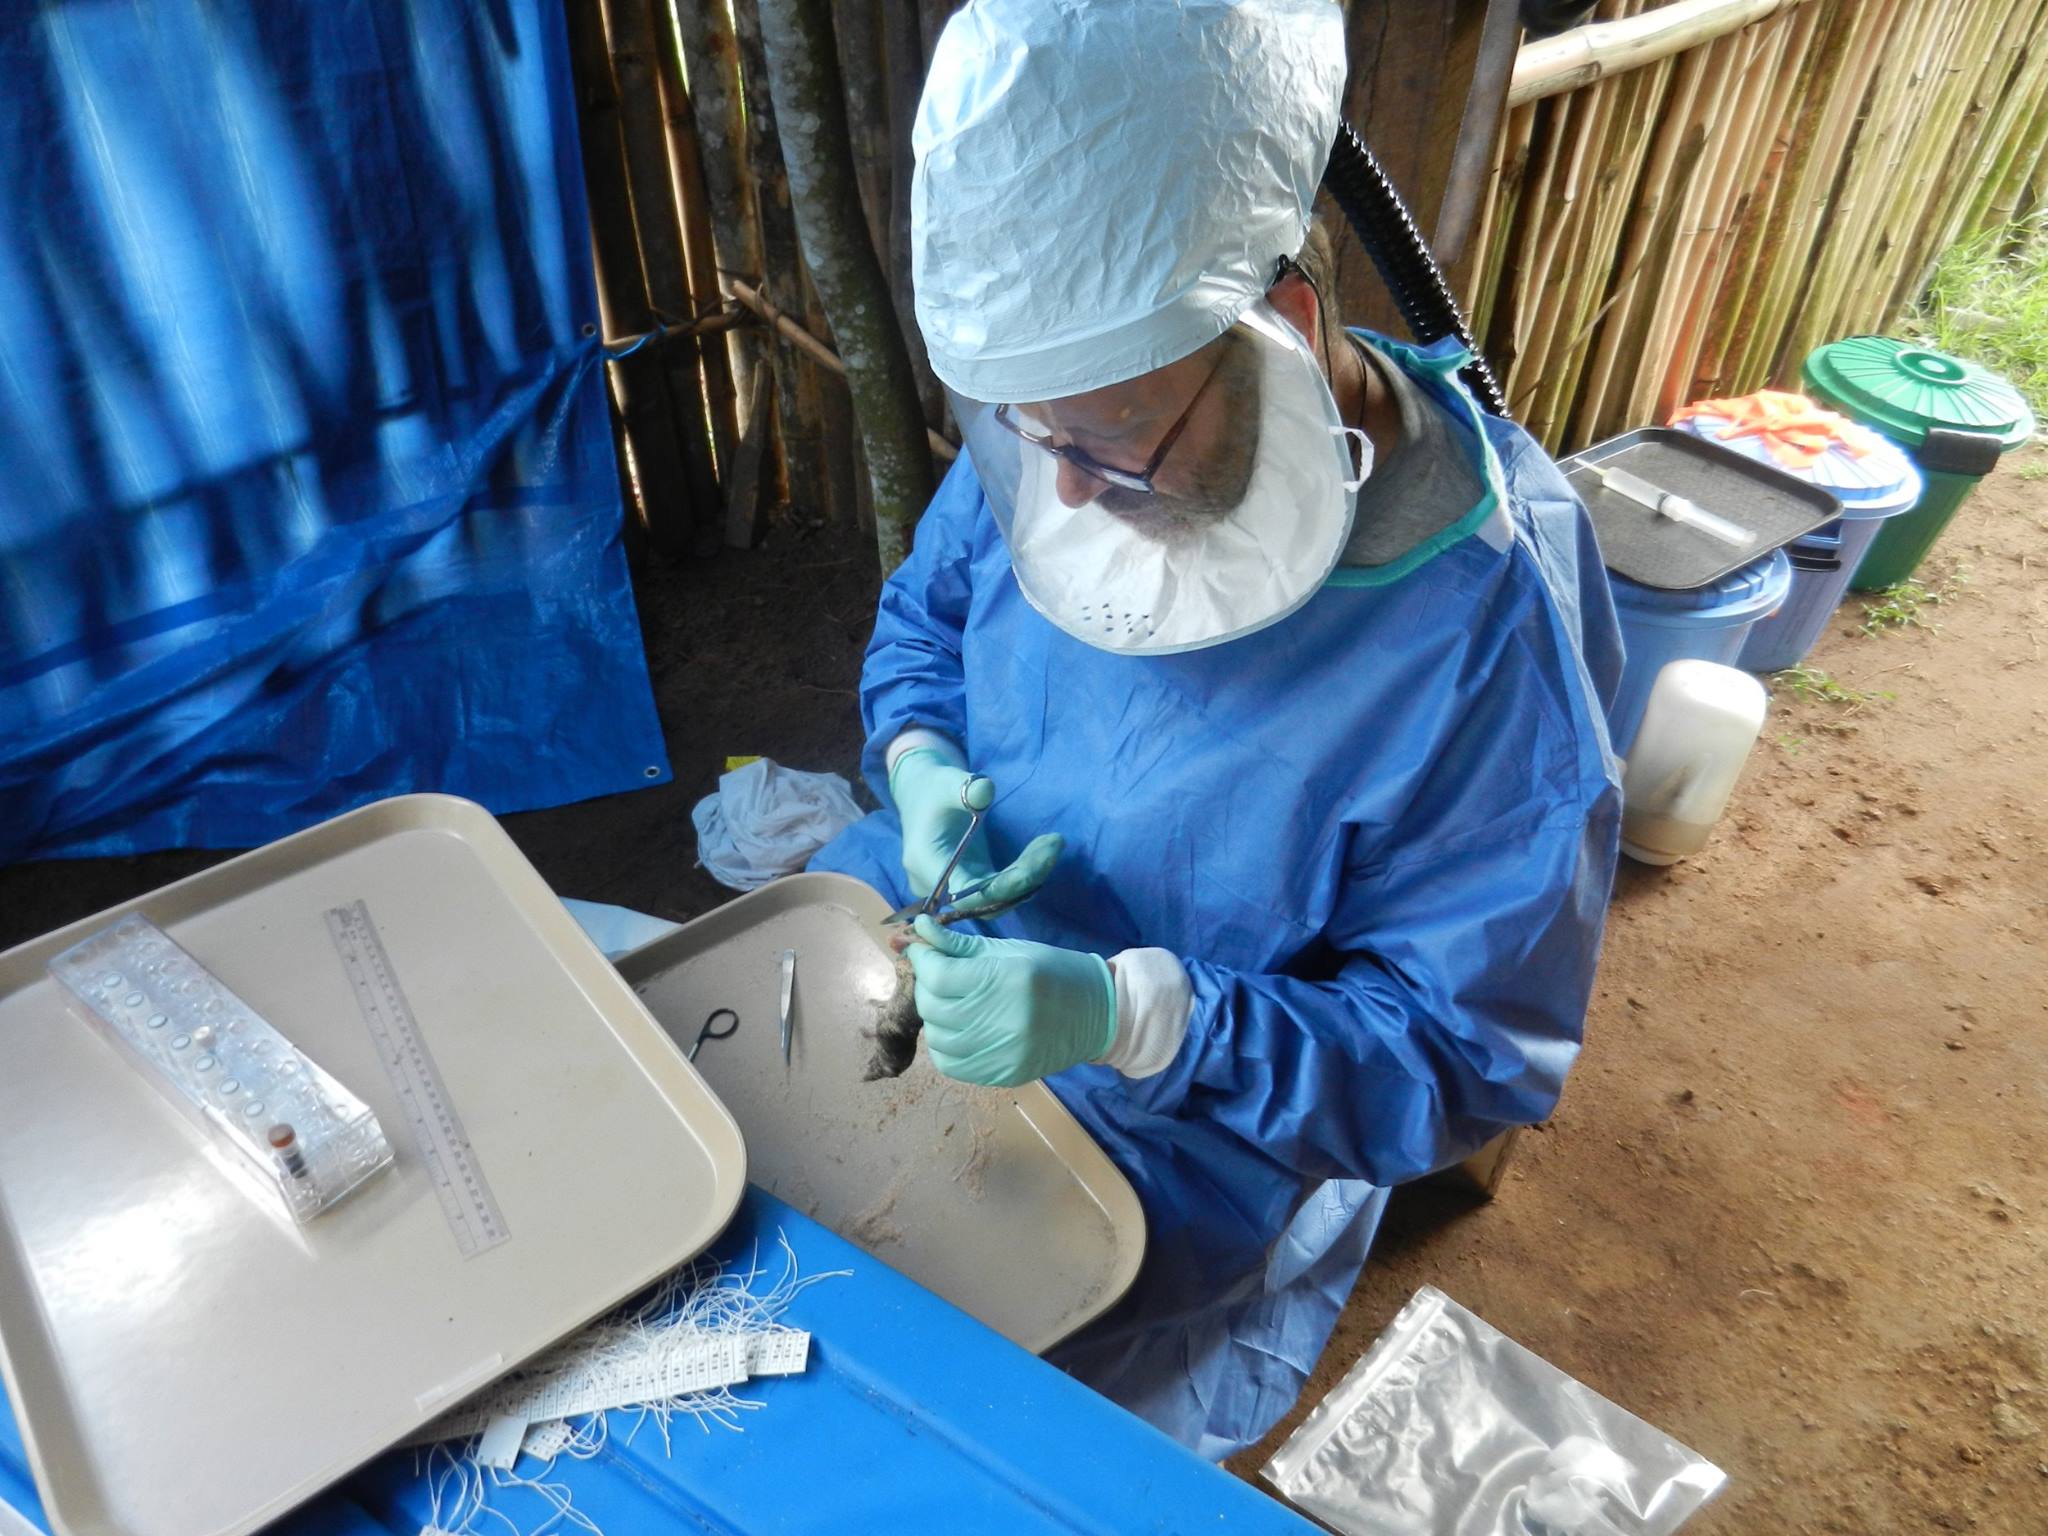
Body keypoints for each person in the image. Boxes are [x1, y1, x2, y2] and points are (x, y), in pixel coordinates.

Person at [810, 0, 1625, 1460]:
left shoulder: (1480, 632)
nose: (1054, 496)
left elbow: (1460, 1054)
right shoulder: (1067, 418)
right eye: (1025, 436)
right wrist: (922, 763)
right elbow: (929, 621)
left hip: (1190, 1107)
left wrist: (1131, 1013)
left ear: (1286, 327)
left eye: (1109, 443)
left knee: (929, 1397)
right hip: (922, 936)